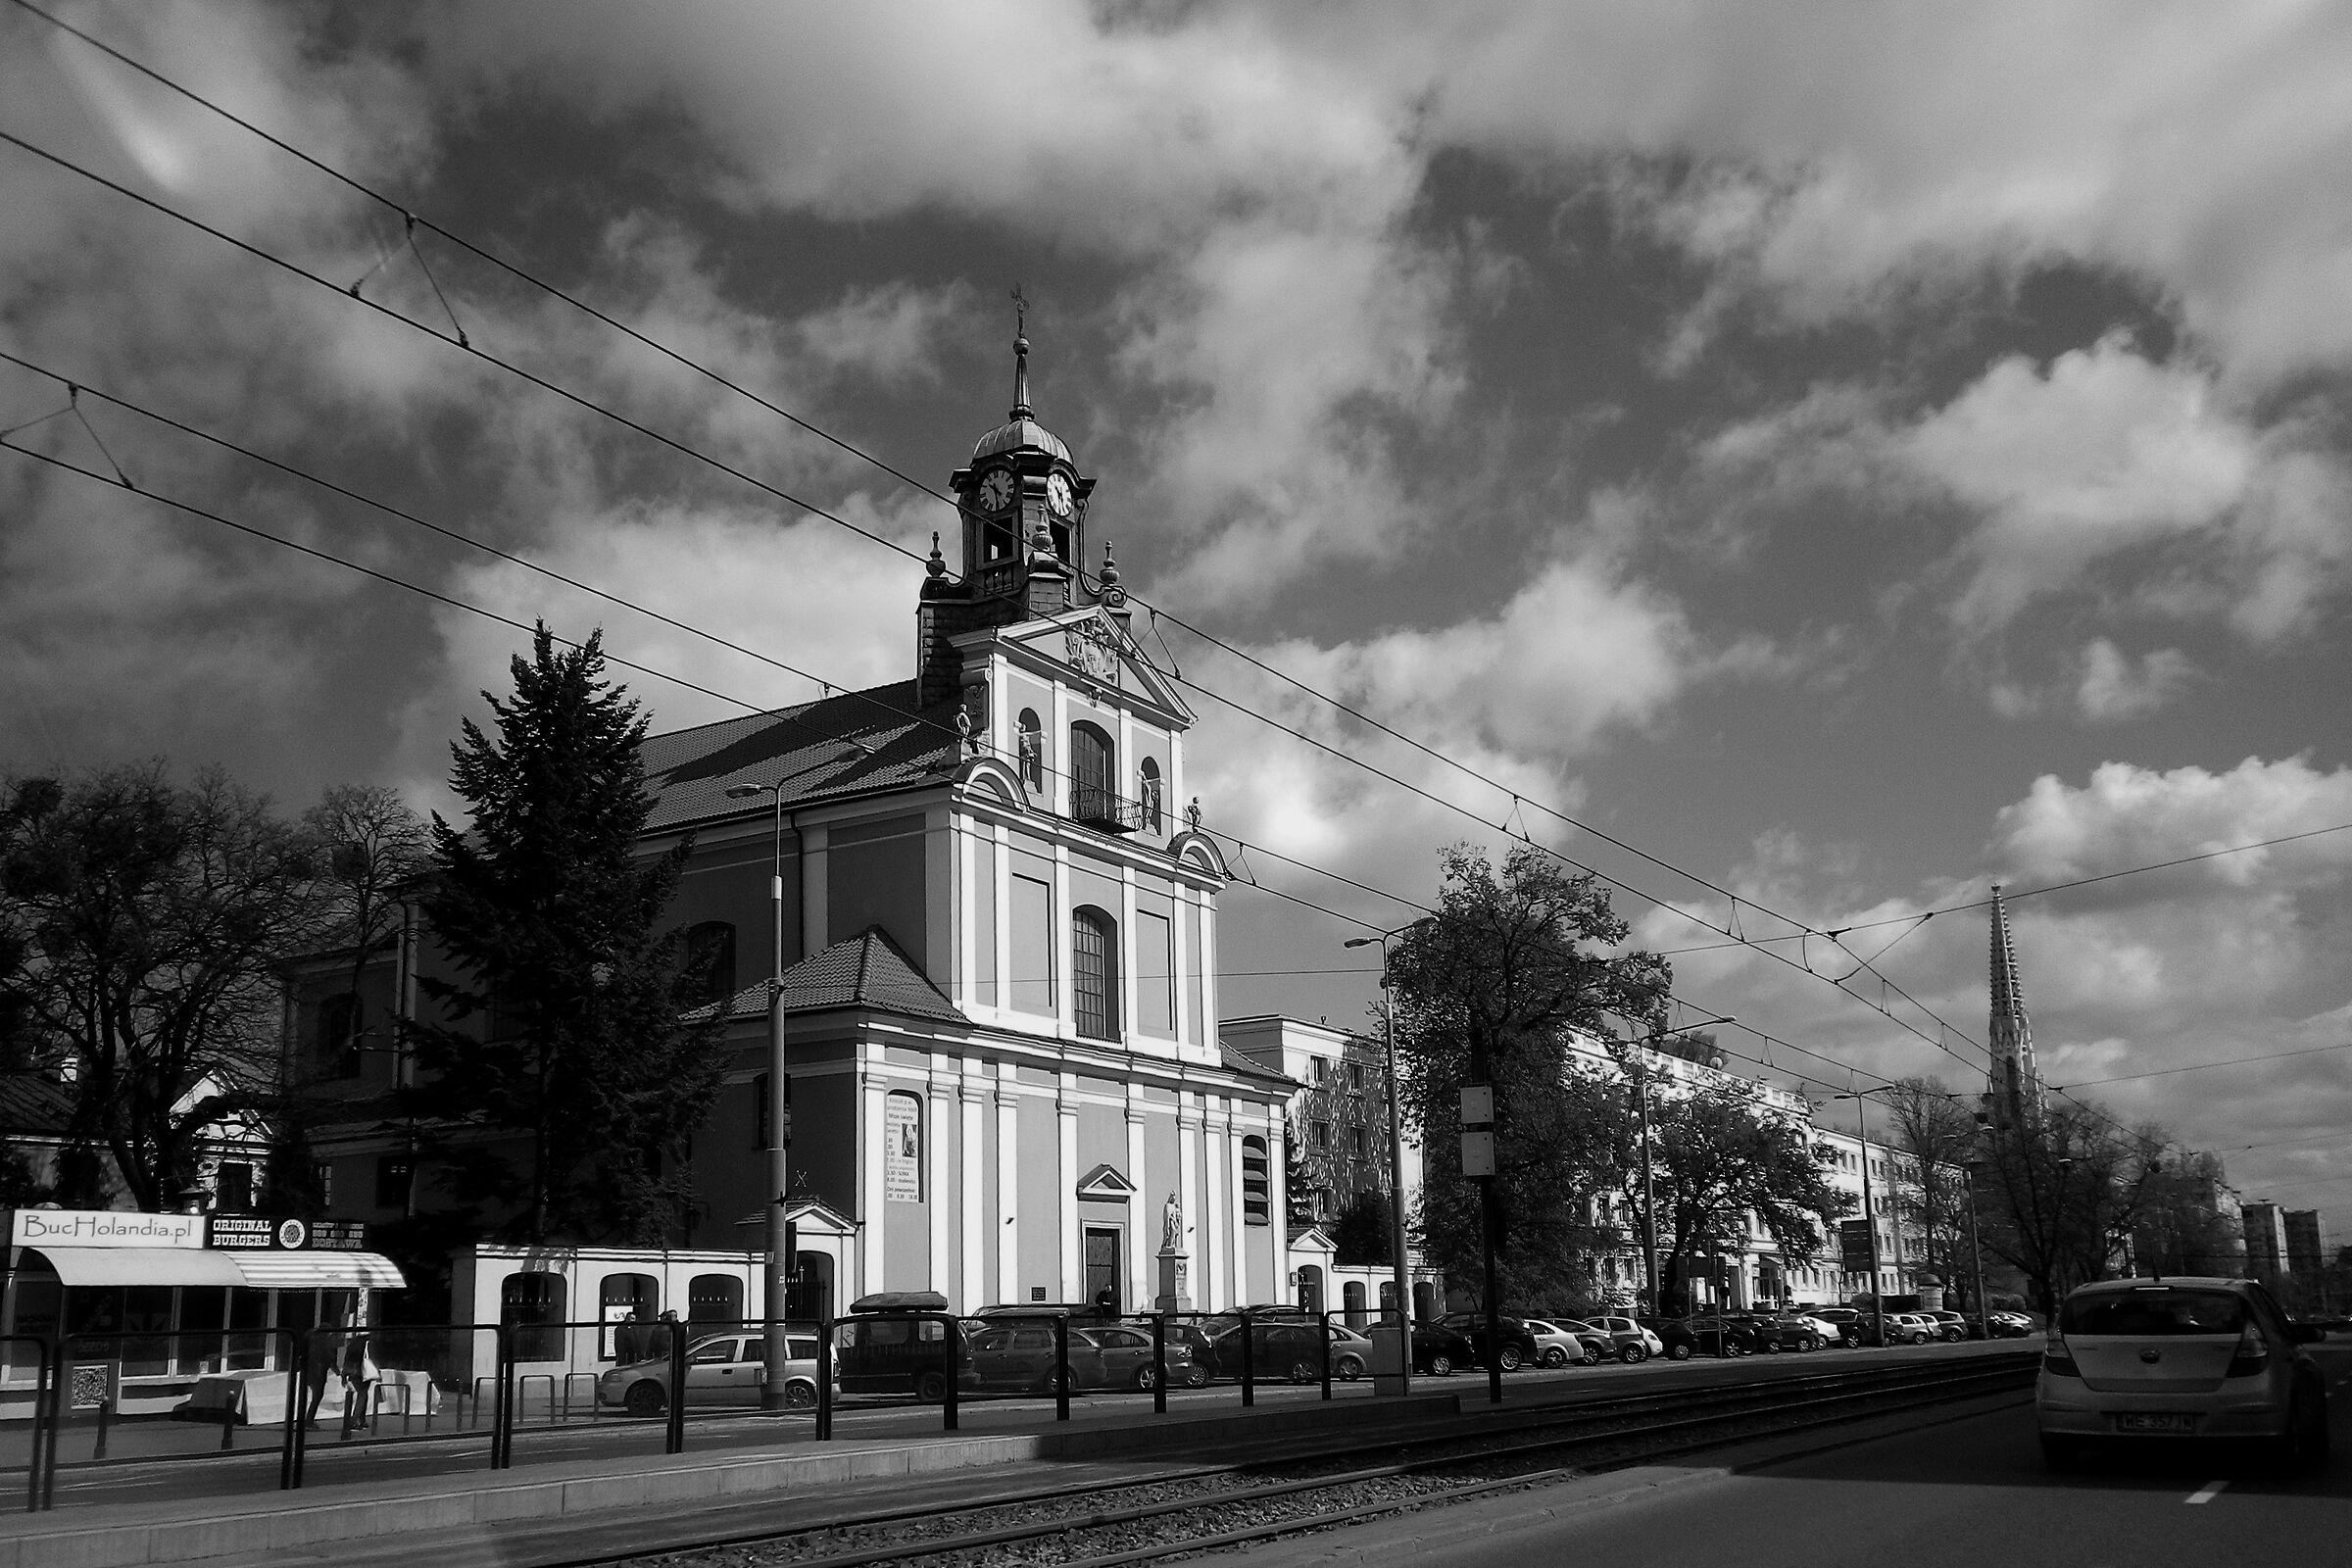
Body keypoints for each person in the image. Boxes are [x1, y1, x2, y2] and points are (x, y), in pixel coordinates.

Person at [300, 1316, 346, 1431]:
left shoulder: (311, 1337)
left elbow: (302, 1352)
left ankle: (302, 1419)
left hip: (306, 1370)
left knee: (303, 1396)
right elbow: (329, 1357)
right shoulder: (325, 1341)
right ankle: (309, 1421)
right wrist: (337, 1372)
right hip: (319, 1373)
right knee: (317, 1396)